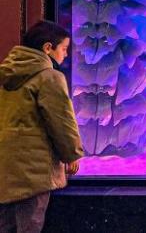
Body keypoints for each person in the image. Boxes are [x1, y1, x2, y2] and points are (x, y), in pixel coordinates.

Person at [0, 20, 84, 233]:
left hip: (5, 168)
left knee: (7, 225)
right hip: (34, 170)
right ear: (48, 48)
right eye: (64, 49)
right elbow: (61, 121)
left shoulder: (5, 74)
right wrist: (71, 154)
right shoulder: (49, 78)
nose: (65, 55)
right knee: (30, 225)